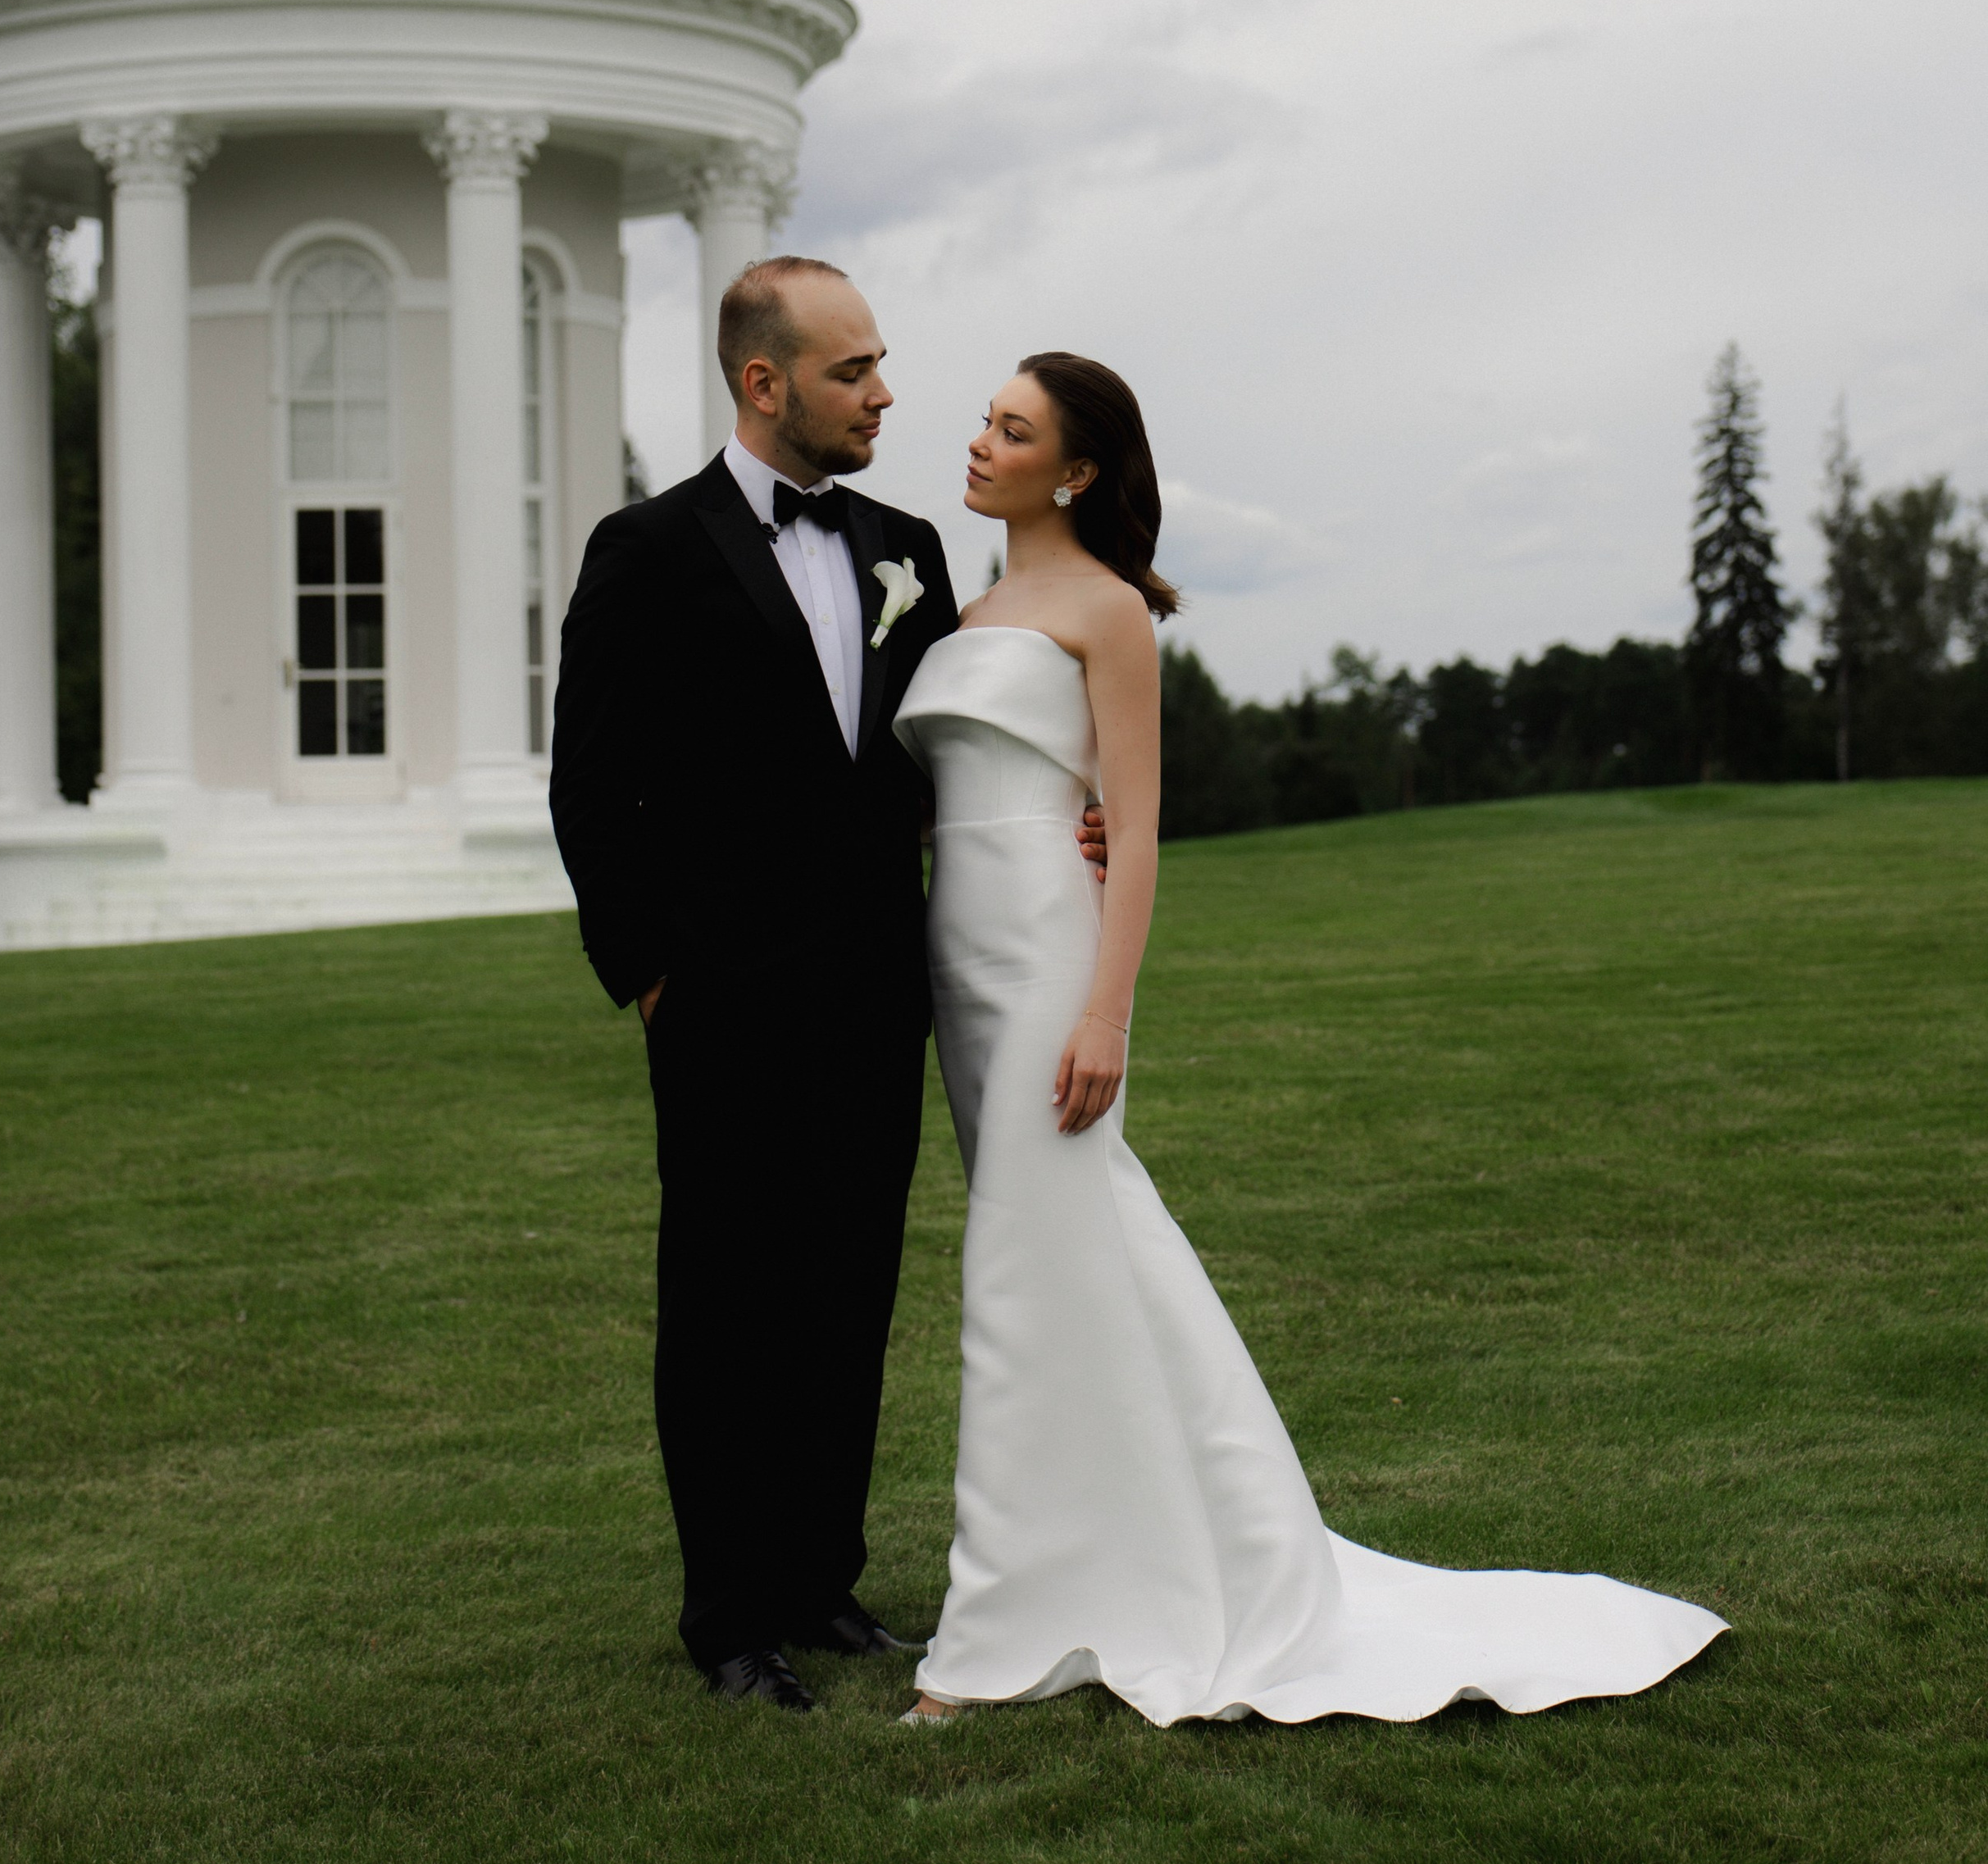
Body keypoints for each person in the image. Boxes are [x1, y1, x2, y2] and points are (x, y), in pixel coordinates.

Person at [894, 352, 1726, 1726]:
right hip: (957, 966)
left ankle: (989, 1639)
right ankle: (1135, 1550)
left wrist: (1107, 1011)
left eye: (1014, 428)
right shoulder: (968, 603)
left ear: (1079, 468)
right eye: (985, 420)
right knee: (1070, 1262)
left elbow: (1140, 826)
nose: (978, 442)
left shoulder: (1108, 612)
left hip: (1047, 956)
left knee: (1018, 1283)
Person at [548, 258, 1102, 1712]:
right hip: (719, 1003)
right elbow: (594, 790)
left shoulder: (906, 546)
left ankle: (820, 1580)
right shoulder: (645, 551)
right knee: (727, 1301)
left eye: (879, 366)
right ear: (764, 382)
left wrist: (1072, 804)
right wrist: (650, 976)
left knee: (849, 1292)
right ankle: (728, 1616)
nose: (884, 394)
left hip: (876, 993)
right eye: (853, 371)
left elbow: (965, 731)